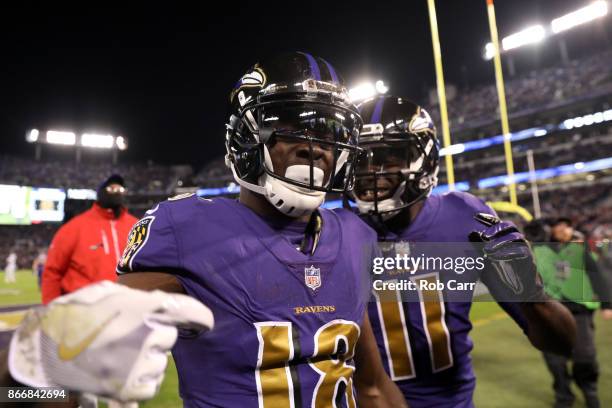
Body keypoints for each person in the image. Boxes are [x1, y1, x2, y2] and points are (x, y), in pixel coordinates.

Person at [3, 52, 407, 407]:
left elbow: (371, 387)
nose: (313, 145)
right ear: (245, 138)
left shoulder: (355, 236)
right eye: (289, 125)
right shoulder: (186, 231)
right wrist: (39, 367)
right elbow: (39, 377)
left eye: (327, 132)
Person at [350, 95, 576, 407]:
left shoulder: (464, 218)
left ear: (423, 158)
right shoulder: (339, 231)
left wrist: (533, 297)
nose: (371, 172)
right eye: (362, 159)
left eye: (388, 157)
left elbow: (564, 343)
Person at [533, 217, 612, 408]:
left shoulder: (579, 248)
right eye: (558, 226)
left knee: (585, 356)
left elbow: (597, 274)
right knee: (554, 360)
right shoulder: (539, 249)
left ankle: (590, 392)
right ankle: (564, 397)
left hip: (578, 311)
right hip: (551, 312)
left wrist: (606, 303)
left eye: (567, 226)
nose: (563, 230)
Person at [41, 174, 137, 304]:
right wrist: (51, 310)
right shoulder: (74, 228)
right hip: (83, 311)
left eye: (120, 189)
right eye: (111, 189)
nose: (116, 193)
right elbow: (53, 273)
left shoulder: (136, 227)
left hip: (128, 308)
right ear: (100, 192)